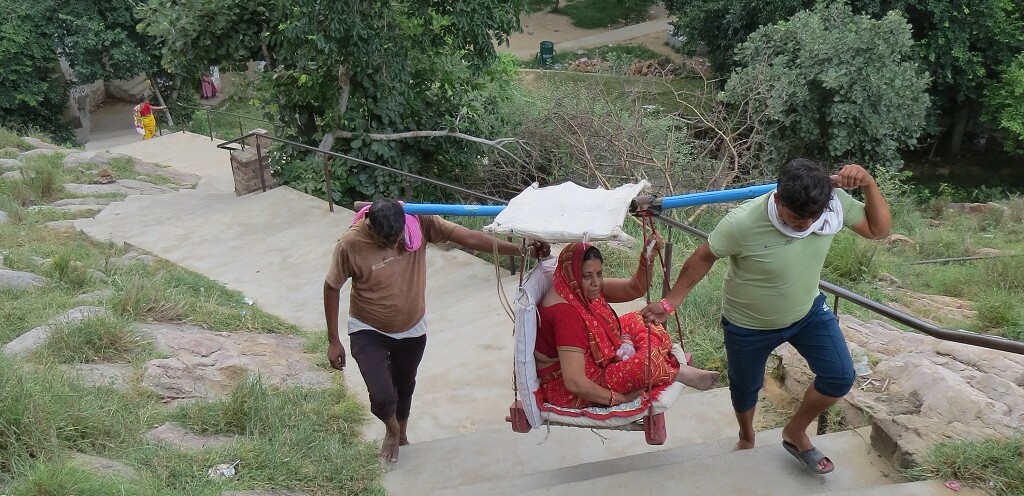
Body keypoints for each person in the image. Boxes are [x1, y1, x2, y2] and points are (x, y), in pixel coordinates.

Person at [640, 159, 891, 474]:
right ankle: (747, 437)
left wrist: (868, 183)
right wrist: (669, 303)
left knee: (840, 376)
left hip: (807, 312)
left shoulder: (833, 203)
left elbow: (879, 230)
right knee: (745, 387)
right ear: (777, 199)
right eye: (796, 218)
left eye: (811, 218)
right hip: (748, 324)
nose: (804, 226)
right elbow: (703, 256)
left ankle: (795, 432)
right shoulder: (743, 222)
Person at [324, 199, 550, 463]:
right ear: (370, 227)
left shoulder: (419, 222)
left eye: (398, 240)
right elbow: (332, 287)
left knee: (405, 386)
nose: (394, 247)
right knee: (383, 397)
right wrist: (333, 340)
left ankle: (402, 434)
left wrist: (521, 251)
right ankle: (391, 427)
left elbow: (468, 237)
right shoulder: (350, 244)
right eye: (385, 243)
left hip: (412, 328)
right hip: (368, 328)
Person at [535, 239, 720, 413]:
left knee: (640, 319)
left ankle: (661, 363)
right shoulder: (566, 314)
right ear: (574, 273)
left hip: (589, 359)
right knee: (645, 364)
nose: (596, 283)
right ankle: (678, 371)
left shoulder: (574, 286)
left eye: (599, 274)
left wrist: (648, 257)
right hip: (575, 385)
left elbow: (634, 289)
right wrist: (617, 398)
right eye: (587, 276)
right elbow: (575, 382)